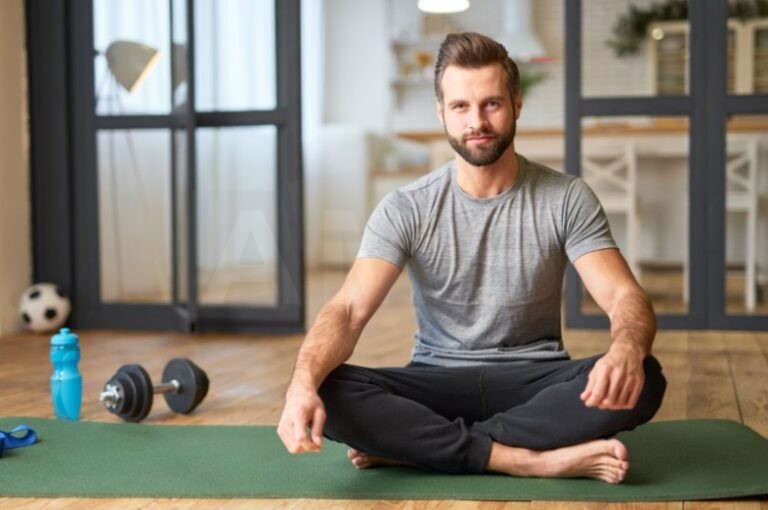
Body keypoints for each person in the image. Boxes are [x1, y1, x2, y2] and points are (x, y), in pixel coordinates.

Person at [277, 32, 666, 484]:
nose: (476, 121)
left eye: (491, 104)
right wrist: (301, 384)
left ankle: (420, 449)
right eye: (460, 106)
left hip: (535, 381)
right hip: (436, 382)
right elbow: (346, 311)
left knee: (646, 376)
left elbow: (623, 296)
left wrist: (626, 349)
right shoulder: (407, 207)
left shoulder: (566, 198)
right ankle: (525, 459)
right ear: (441, 112)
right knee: (327, 385)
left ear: (517, 104)